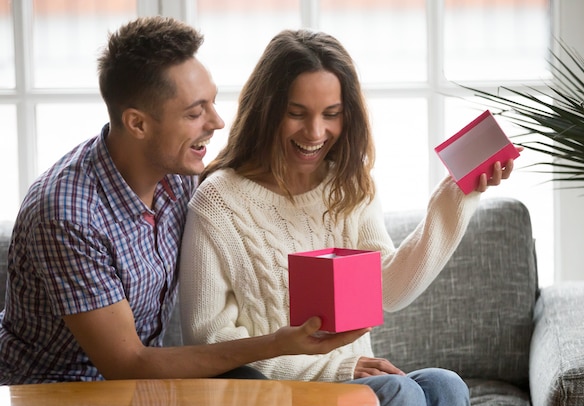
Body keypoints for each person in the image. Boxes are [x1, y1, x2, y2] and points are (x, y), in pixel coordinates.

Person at [0, 17, 368, 385]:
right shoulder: (67, 216)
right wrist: (276, 344)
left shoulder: (179, 174)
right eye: (195, 112)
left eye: (212, 102)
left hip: (141, 390)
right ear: (138, 124)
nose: (218, 121)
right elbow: (127, 365)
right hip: (53, 395)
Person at [178, 29, 518, 406]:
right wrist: (337, 368)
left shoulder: (349, 185)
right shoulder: (219, 202)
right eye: (296, 113)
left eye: (331, 114)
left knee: (444, 385)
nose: (315, 132)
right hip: (274, 394)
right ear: (267, 109)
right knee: (398, 393)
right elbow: (209, 342)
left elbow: (390, 289)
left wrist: (458, 193)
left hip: (354, 384)